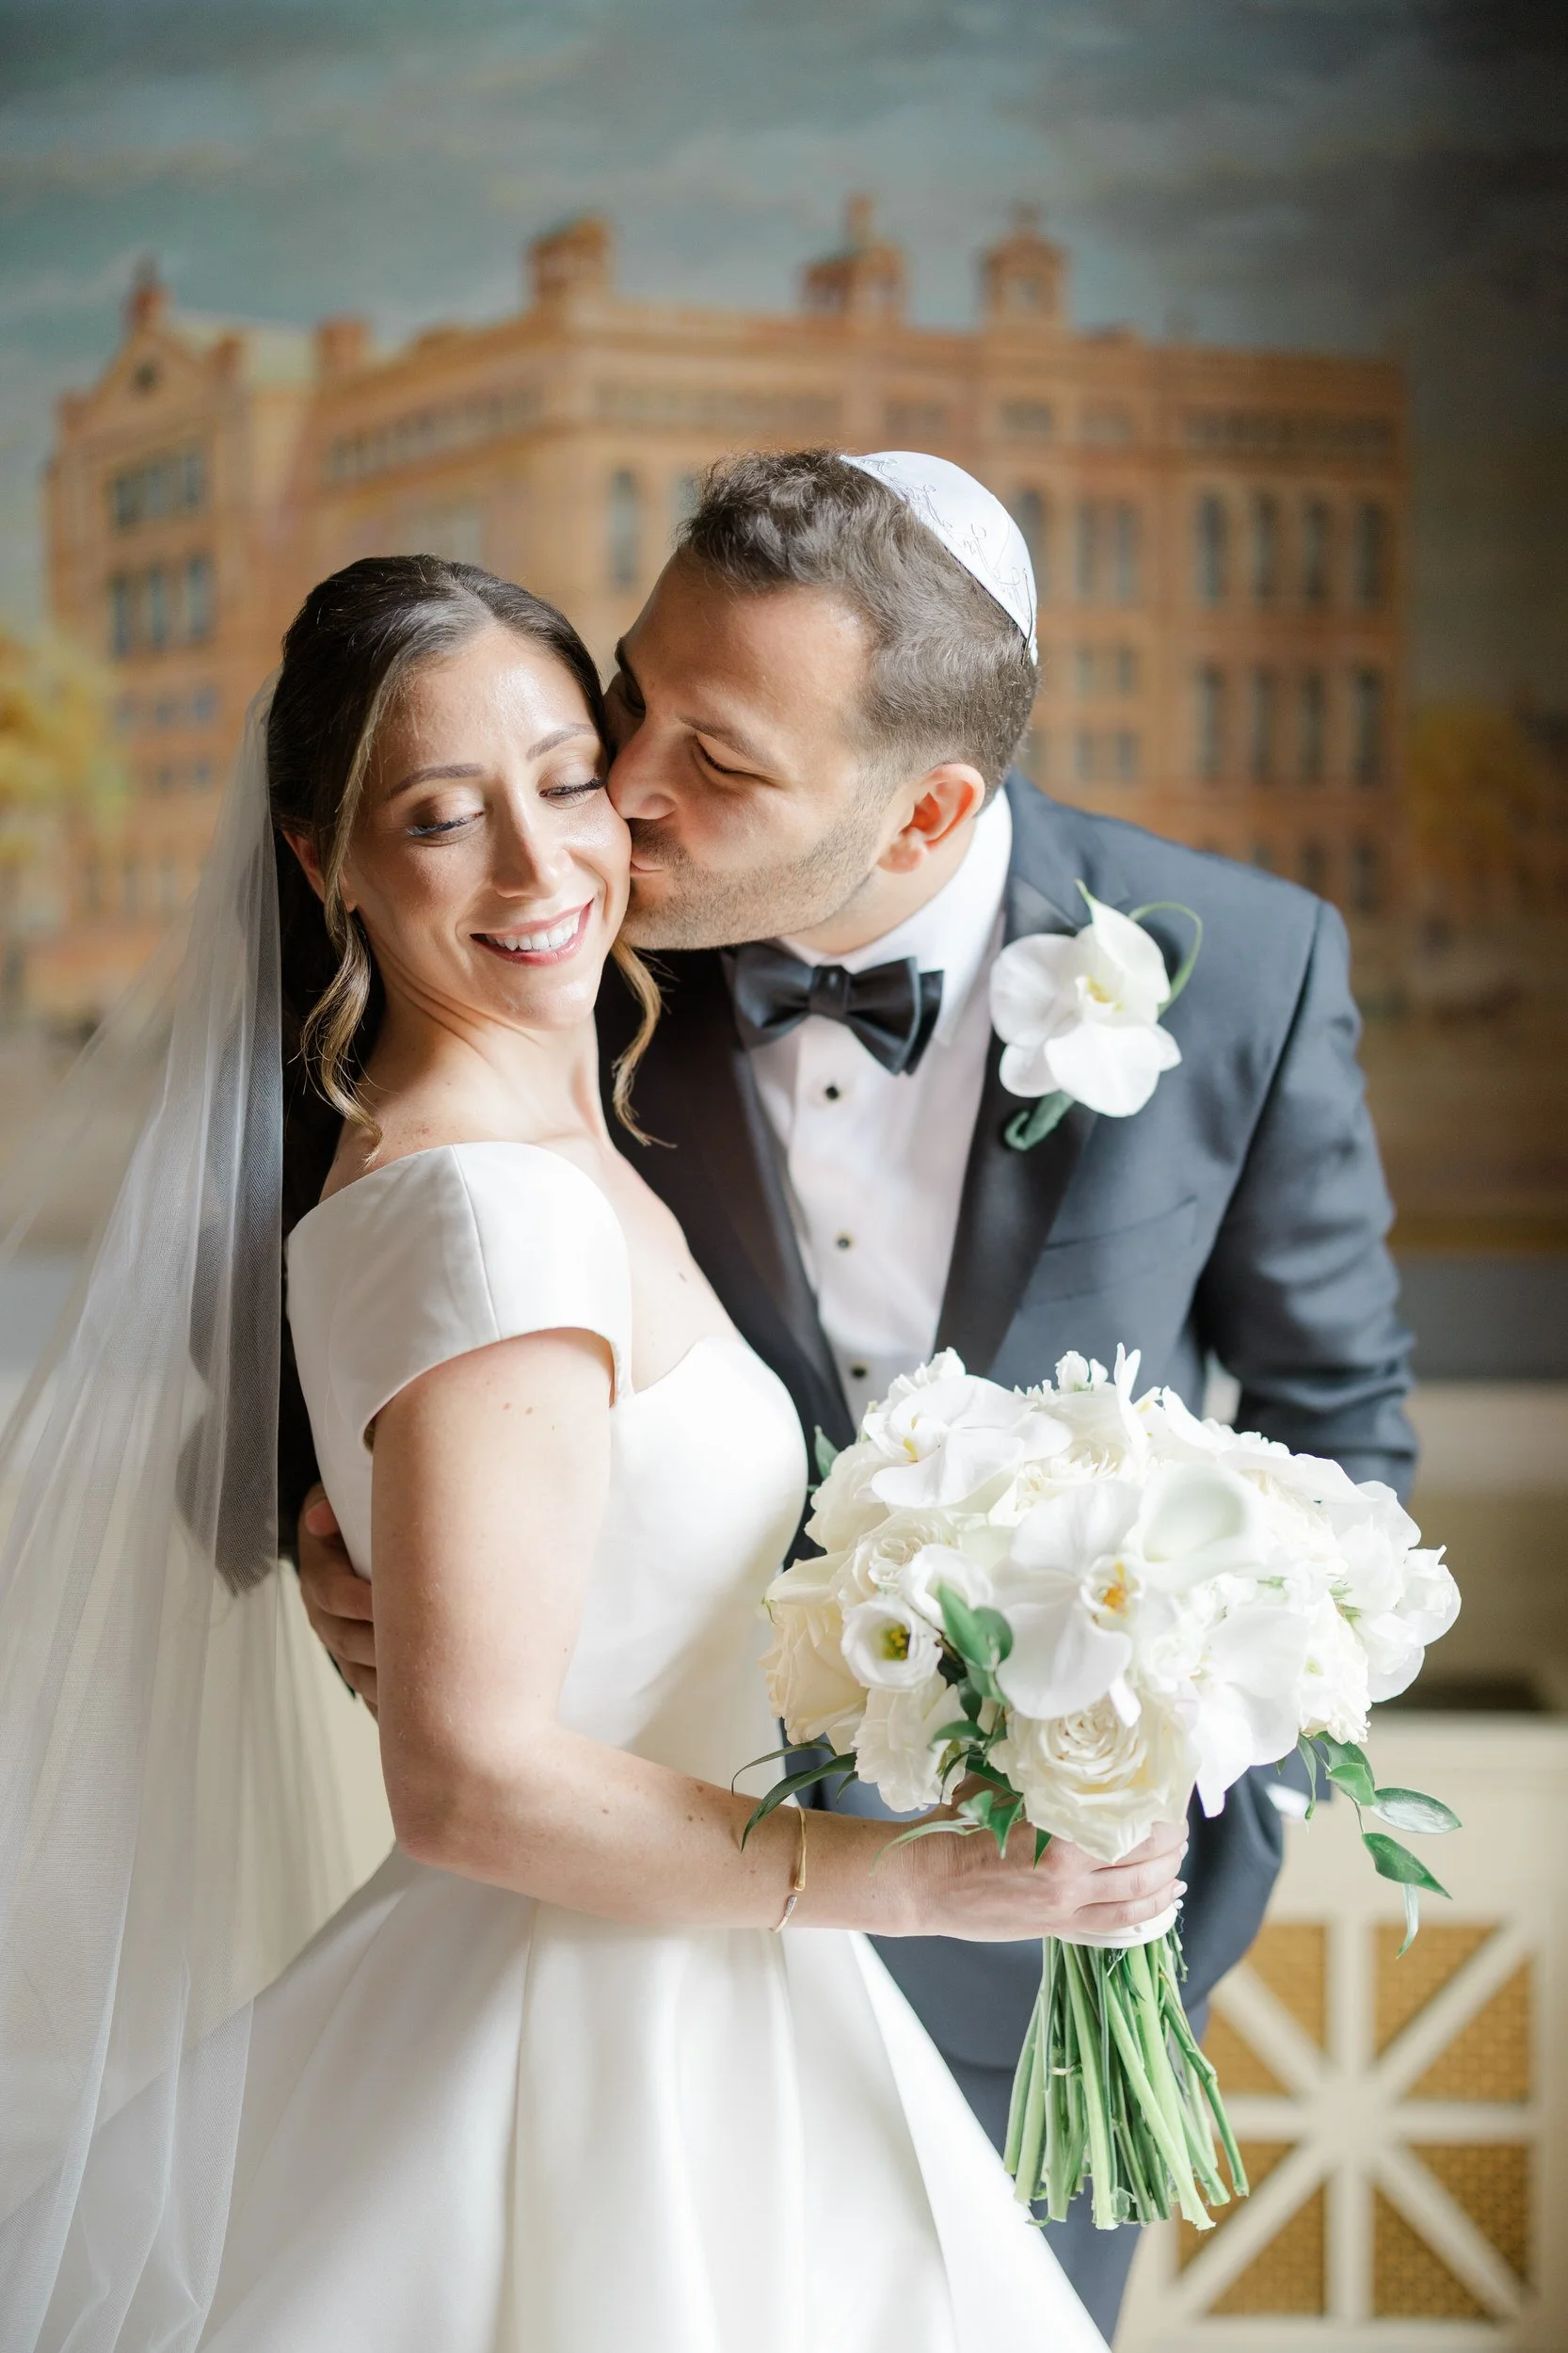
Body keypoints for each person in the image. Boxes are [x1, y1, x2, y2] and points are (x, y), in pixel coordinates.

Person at [298, 449, 1416, 2340]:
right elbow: (380, 1259)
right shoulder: (566, 958)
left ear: (928, 810)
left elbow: (1340, 1437)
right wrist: (349, 1545)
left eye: (715, 762)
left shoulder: (1239, 971)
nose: (617, 798)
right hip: (634, 1928)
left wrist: (1182, 1805)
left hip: (1052, 1977)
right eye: (630, 695)